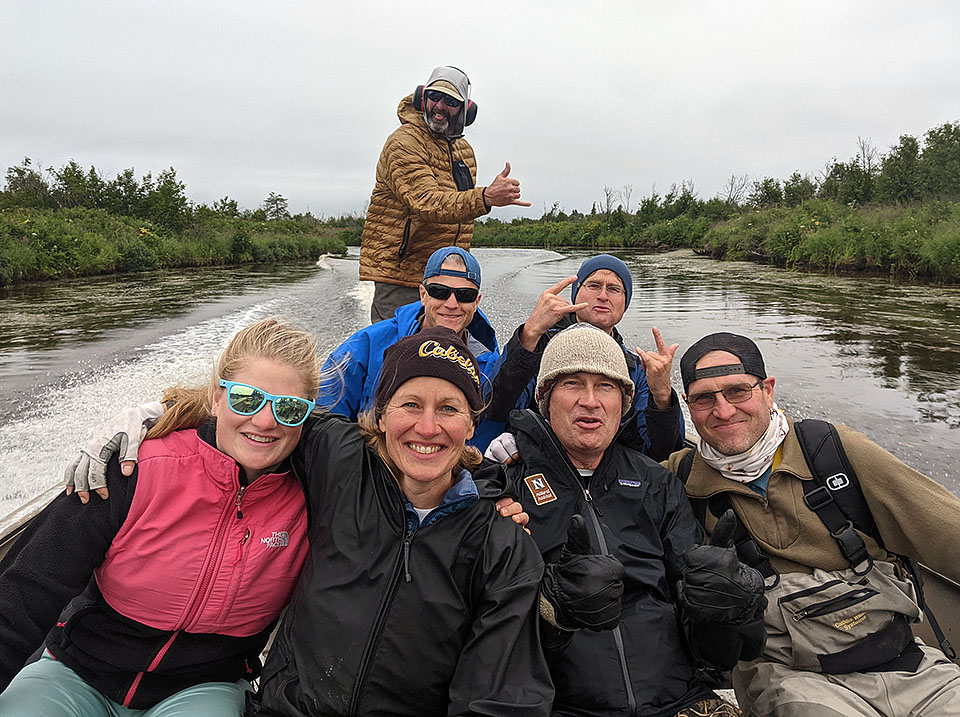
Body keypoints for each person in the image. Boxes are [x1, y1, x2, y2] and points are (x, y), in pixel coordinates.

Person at [59, 327, 552, 715]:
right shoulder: (336, 456)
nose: (427, 427)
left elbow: (498, 695)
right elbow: (254, 413)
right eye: (409, 405)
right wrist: (148, 416)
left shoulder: (499, 537)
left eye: (449, 408)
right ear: (378, 415)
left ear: (472, 424)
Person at [0, 318, 319, 715]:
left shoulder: (316, 494)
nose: (266, 420)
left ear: (307, 418)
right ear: (217, 399)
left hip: (203, 686)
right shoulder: (137, 467)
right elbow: (29, 588)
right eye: (246, 399)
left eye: (290, 408)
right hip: (77, 672)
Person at [665, 332, 960, 716]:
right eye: (704, 398)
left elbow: (948, 532)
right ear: (688, 404)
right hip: (790, 679)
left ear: (768, 390)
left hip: (911, 667)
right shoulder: (678, 480)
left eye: (738, 391)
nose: (723, 411)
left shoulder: (835, 451)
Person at [503, 324, 765, 717]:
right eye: (573, 383)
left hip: (679, 700)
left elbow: (712, 653)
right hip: (560, 706)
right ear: (546, 398)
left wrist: (727, 609)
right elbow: (491, 635)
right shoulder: (508, 490)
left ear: (624, 402)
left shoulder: (656, 483)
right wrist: (553, 612)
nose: (590, 402)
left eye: (606, 386)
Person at [360, 65, 531, 322]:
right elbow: (427, 202)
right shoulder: (404, 142)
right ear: (422, 98)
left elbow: (459, 210)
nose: (440, 106)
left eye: (450, 101)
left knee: (442, 353)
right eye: (434, 97)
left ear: (466, 110)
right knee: (394, 353)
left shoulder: (465, 151)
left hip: (447, 278)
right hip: (402, 276)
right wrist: (485, 197)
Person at [487, 253, 684, 461]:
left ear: (625, 303)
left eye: (614, 289)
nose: (603, 296)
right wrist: (530, 333)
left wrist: (662, 396)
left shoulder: (635, 369)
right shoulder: (536, 347)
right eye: (594, 285)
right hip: (540, 464)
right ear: (576, 293)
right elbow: (497, 409)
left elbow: (660, 452)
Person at [320, 244, 504, 449]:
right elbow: (324, 420)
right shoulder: (366, 345)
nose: (452, 304)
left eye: (465, 295)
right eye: (439, 291)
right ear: (423, 295)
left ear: (477, 301)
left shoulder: (489, 365)